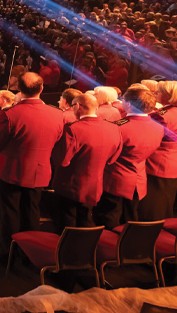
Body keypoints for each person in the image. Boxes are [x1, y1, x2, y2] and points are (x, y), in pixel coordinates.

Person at [0, 72, 64, 258]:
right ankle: (30, 252)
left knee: (10, 213)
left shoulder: (11, 114)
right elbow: (57, 140)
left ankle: (7, 252)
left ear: (19, 89)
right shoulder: (57, 114)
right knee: (32, 211)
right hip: (40, 172)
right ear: (42, 89)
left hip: (12, 172)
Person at [50, 94, 122, 232]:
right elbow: (113, 158)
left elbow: (62, 160)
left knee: (67, 224)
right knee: (86, 221)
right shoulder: (114, 128)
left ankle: (67, 252)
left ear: (77, 106)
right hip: (96, 184)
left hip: (70, 186)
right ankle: (87, 250)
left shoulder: (73, 129)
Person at [95, 88, 164, 229]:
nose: (122, 102)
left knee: (110, 217)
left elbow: (107, 154)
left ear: (130, 103)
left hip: (115, 178)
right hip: (139, 179)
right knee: (131, 218)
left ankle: (109, 248)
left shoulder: (119, 127)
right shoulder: (158, 127)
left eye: (124, 100)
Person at [140, 81, 177, 220]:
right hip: (172, 163)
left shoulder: (161, 115)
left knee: (152, 206)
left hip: (157, 163)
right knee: (166, 202)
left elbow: (148, 139)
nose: (156, 94)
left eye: (159, 92)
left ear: (169, 96)